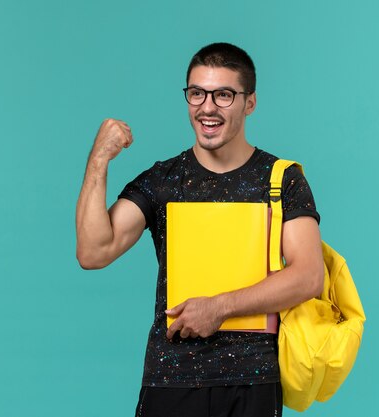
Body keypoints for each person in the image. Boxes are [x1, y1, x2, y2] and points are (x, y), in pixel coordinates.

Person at [75, 42, 324, 417]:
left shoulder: (281, 180)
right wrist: (99, 159)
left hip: (252, 382)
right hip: (171, 379)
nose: (207, 107)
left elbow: (308, 276)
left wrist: (220, 307)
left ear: (249, 102)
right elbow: (93, 251)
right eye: (197, 93)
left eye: (223, 94)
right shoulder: (163, 180)